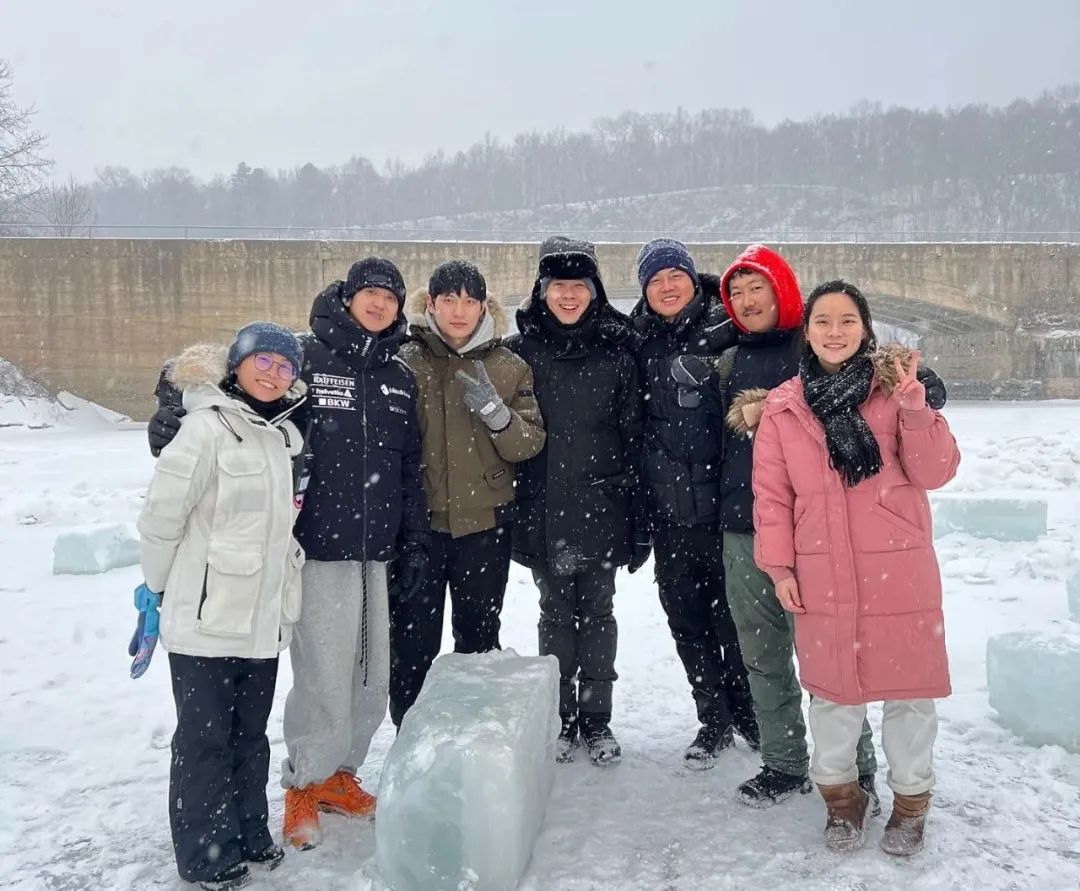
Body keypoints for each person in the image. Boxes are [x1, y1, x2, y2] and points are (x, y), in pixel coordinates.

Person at [146, 257, 429, 850]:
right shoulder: (307, 360)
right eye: (368, 293)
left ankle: (339, 775)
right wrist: (178, 410)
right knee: (324, 675)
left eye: (390, 296)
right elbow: (247, 400)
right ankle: (304, 780)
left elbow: (407, 467)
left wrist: (411, 538)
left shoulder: (400, 377)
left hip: (377, 551)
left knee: (371, 674)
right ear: (347, 297)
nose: (378, 304)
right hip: (318, 546)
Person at [717, 245, 948, 809]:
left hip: (892, 562)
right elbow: (771, 494)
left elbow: (935, 469)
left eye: (848, 320)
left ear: (866, 330)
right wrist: (779, 563)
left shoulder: (892, 390)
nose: (835, 330)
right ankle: (828, 788)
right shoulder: (778, 399)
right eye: (825, 321)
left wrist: (918, 400)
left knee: (902, 688)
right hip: (807, 555)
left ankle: (902, 796)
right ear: (810, 331)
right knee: (829, 684)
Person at [138, 322, 306, 891]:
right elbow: (163, 517)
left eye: (285, 367)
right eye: (262, 361)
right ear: (235, 365)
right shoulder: (204, 430)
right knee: (204, 739)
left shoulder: (283, 438)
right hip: (206, 619)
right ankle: (206, 852)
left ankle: (248, 831)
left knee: (250, 734)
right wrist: (155, 591)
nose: (272, 373)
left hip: (261, 621)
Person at [506, 236, 646, 765]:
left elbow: (633, 434)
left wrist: (637, 517)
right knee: (555, 614)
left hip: (603, 504)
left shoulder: (617, 349)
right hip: (542, 506)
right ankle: (560, 718)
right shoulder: (520, 352)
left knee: (599, 613)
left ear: (594, 291)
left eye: (578, 287)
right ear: (542, 291)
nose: (568, 297)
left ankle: (597, 719)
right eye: (558, 286)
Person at [390, 259, 545, 727]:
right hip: (419, 528)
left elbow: (530, 442)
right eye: (449, 299)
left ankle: (471, 735)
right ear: (430, 304)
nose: (459, 311)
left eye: (470, 301)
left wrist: (498, 415)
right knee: (412, 642)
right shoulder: (404, 359)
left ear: (484, 307)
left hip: (485, 525)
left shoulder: (508, 366)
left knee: (479, 637)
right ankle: (410, 734)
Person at [630, 238, 758, 768]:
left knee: (735, 620)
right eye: (655, 279)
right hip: (668, 514)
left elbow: (798, 355)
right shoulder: (633, 338)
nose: (666, 286)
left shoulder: (730, 328)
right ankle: (712, 718)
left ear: (691, 278)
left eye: (674, 275)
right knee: (686, 621)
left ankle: (748, 713)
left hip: (726, 509)